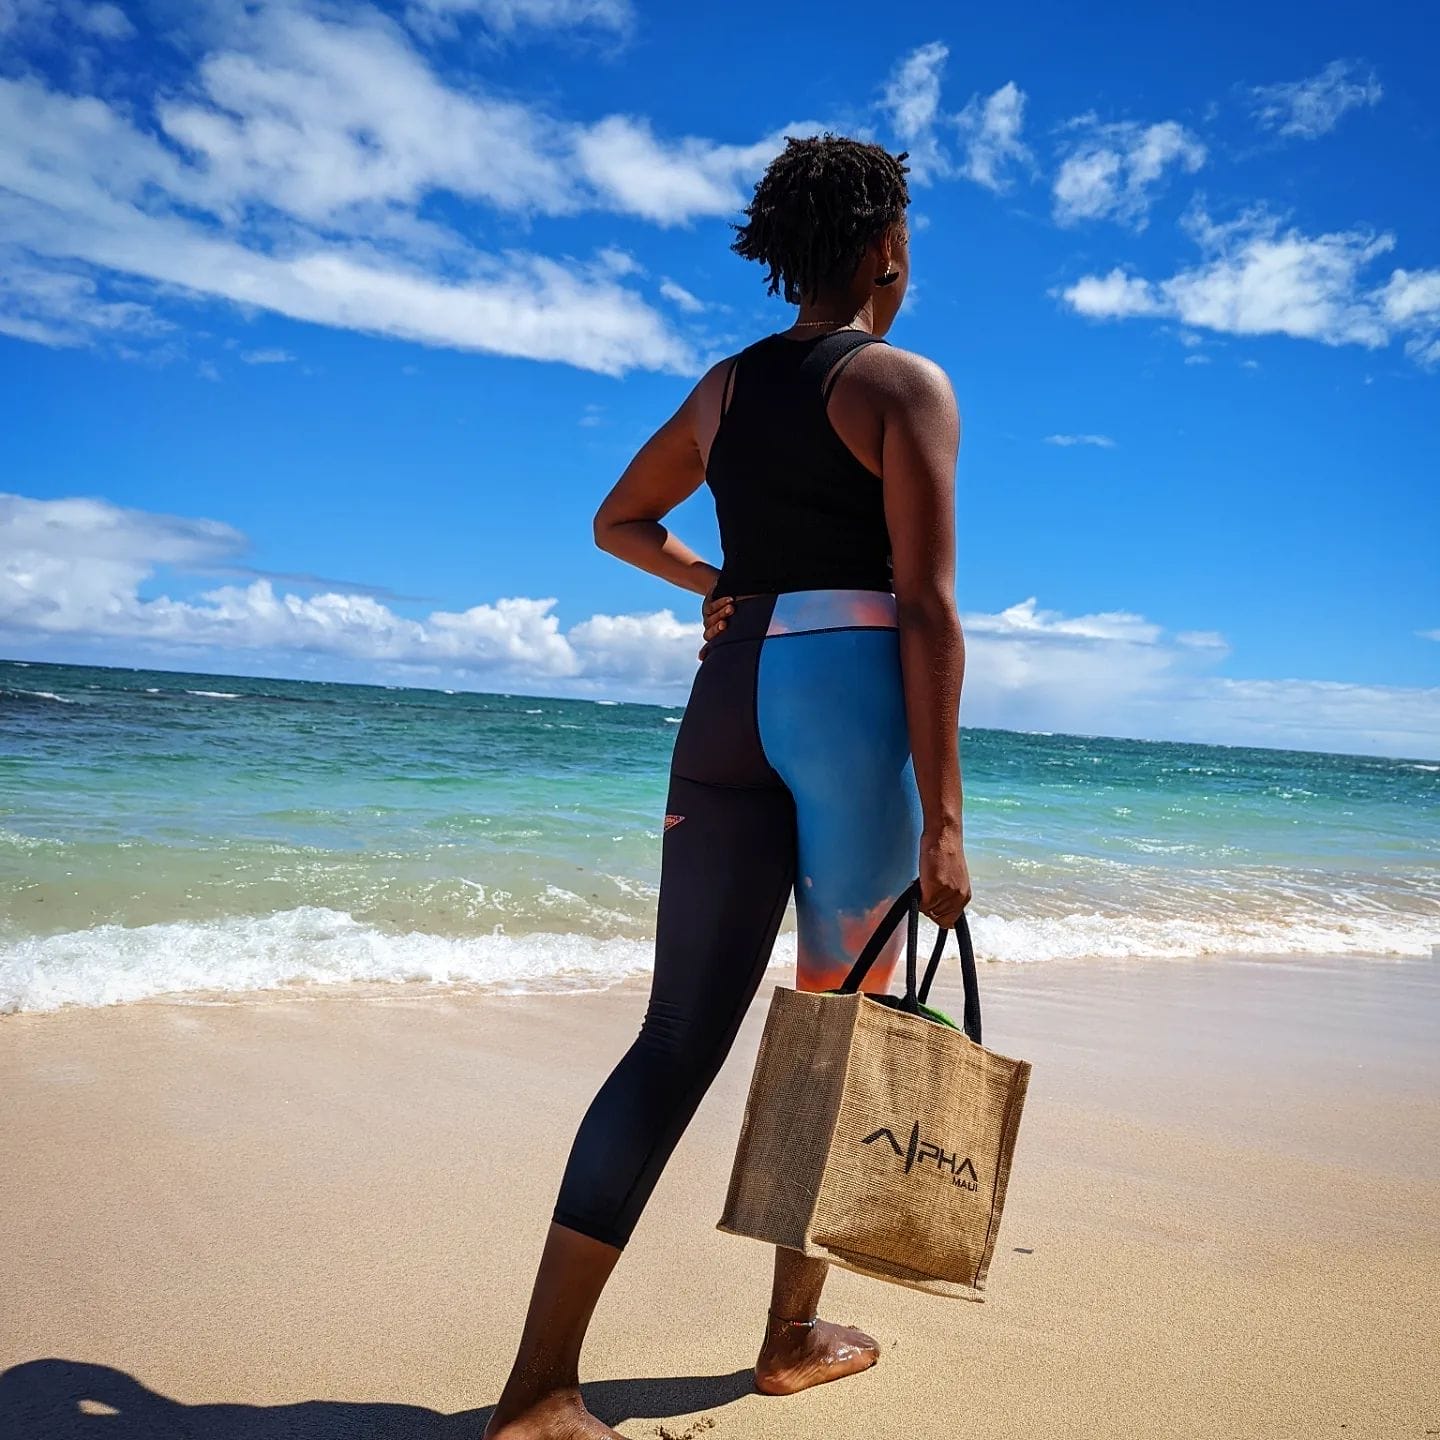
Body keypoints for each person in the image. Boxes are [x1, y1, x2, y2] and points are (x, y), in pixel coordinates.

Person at [483, 133, 970, 1440]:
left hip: (727, 700)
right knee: (836, 1041)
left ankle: (537, 1390)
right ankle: (788, 1337)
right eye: (906, 238)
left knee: (675, 1040)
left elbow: (617, 521)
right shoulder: (901, 385)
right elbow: (925, 608)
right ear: (885, 251)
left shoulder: (722, 390)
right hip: (848, 710)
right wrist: (948, 819)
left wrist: (720, 591)